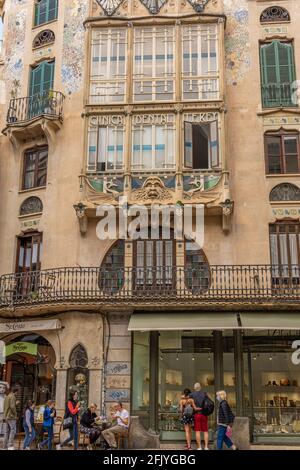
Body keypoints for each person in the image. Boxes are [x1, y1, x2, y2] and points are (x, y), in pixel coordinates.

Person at [190, 383, 209, 450]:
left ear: (195, 388)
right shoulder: (205, 394)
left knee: (197, 431)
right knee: (205, 431)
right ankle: (206, 447)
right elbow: (208, 403)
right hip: (204, 414)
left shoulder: (192, 395)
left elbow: (187, 402)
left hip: (197, 414)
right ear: (200, 388)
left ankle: (199, 447)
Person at [3, 386, 19, 450]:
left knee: (7, 431)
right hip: (11, 416)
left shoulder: (7, 396)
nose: (17, 394)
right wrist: (15, 414)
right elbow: (12, 407)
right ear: (15, 392)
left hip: (6, 416)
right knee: (13, 430)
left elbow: (7, 406)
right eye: (17, 392)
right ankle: (10, 445)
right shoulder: (12, 396)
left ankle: (5, 446)